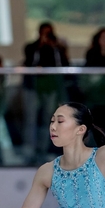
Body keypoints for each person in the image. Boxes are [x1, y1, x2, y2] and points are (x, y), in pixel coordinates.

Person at [22, 22, 70, 163]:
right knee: (31, 119)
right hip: (33, 87)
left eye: (49, 33)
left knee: (48, 119)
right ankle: (29, 150)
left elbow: (63, 65)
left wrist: (57, 47)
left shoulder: (56, 48)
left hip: (51, 88)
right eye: (44, 33)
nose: (46, 36)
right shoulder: (32, 47)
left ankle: (43, 149)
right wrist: (40, 47)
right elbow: (29, 63)